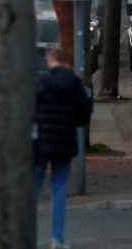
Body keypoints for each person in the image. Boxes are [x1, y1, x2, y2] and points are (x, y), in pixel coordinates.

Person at [33, 48, 92, 249]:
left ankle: (25, 233)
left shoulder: (41, 81)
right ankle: (57, 239)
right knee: (59, 189)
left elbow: (31, 110)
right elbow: (84, 116)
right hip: (65, 143)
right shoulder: (75, 84)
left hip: (41, 143)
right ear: (66, 62)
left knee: (33, 189)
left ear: (50, 61)